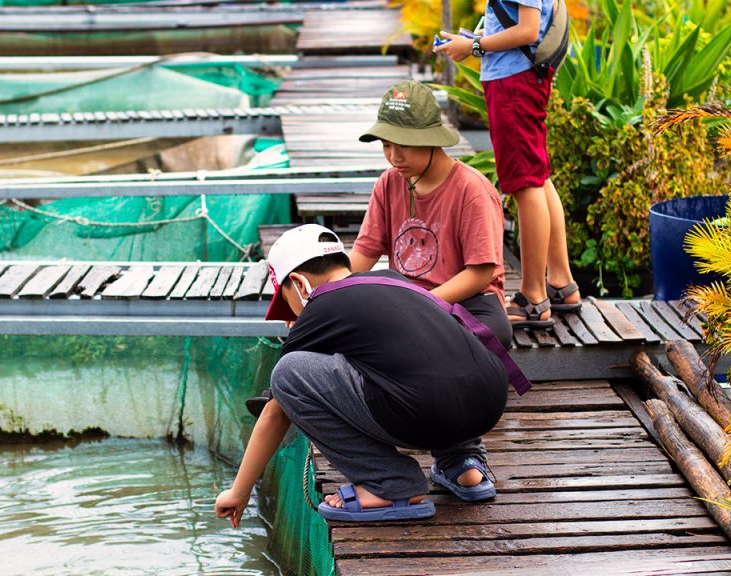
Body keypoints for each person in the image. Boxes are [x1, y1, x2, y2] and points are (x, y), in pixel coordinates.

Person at [214, 224, 509, 525]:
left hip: (424, 411)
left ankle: (389, 483)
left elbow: (276, 411)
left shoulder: (320, 306)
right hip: (490, 400)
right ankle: (463, 465)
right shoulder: (393, 280)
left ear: (300, 285)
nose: (292, 317)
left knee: (287, 374)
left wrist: (239, 491)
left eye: (288, 303)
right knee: (424, 363)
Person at [434, 0, 581, 329]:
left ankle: (533, 297)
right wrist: (473, 40)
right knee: (538, 177)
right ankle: (561, 283)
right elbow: (523, 24)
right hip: (520, 78)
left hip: (514, 82)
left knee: (525, 184)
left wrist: (473, 45)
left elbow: (528, 30)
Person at [349, 79, 513, 348]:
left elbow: (480, 273)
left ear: (431, 140)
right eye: (386, 145)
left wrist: (423, 305)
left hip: (467, 299)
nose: (393, 156)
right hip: (405, 297)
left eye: (404, 144)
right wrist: (321, 291)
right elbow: (363, 255)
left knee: (493, 332)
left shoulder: (471, 189)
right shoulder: (388, 183)